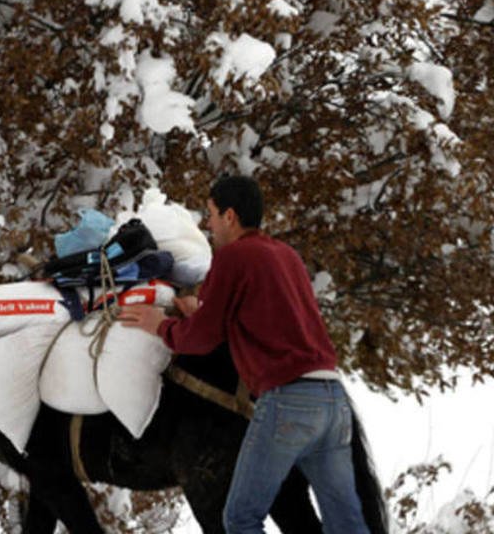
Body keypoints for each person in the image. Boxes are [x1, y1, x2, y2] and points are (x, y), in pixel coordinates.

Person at [118, 175, 370, 534]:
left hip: (287, 402)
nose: (209, 225)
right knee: (346, 522)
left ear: (230, 216)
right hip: (331, 399)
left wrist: (160, 324)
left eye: (212, 215)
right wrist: (201, 311)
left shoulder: (234, 256)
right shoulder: (286, 256)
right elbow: (266, 320)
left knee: (239, 519)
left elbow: (202, 340)